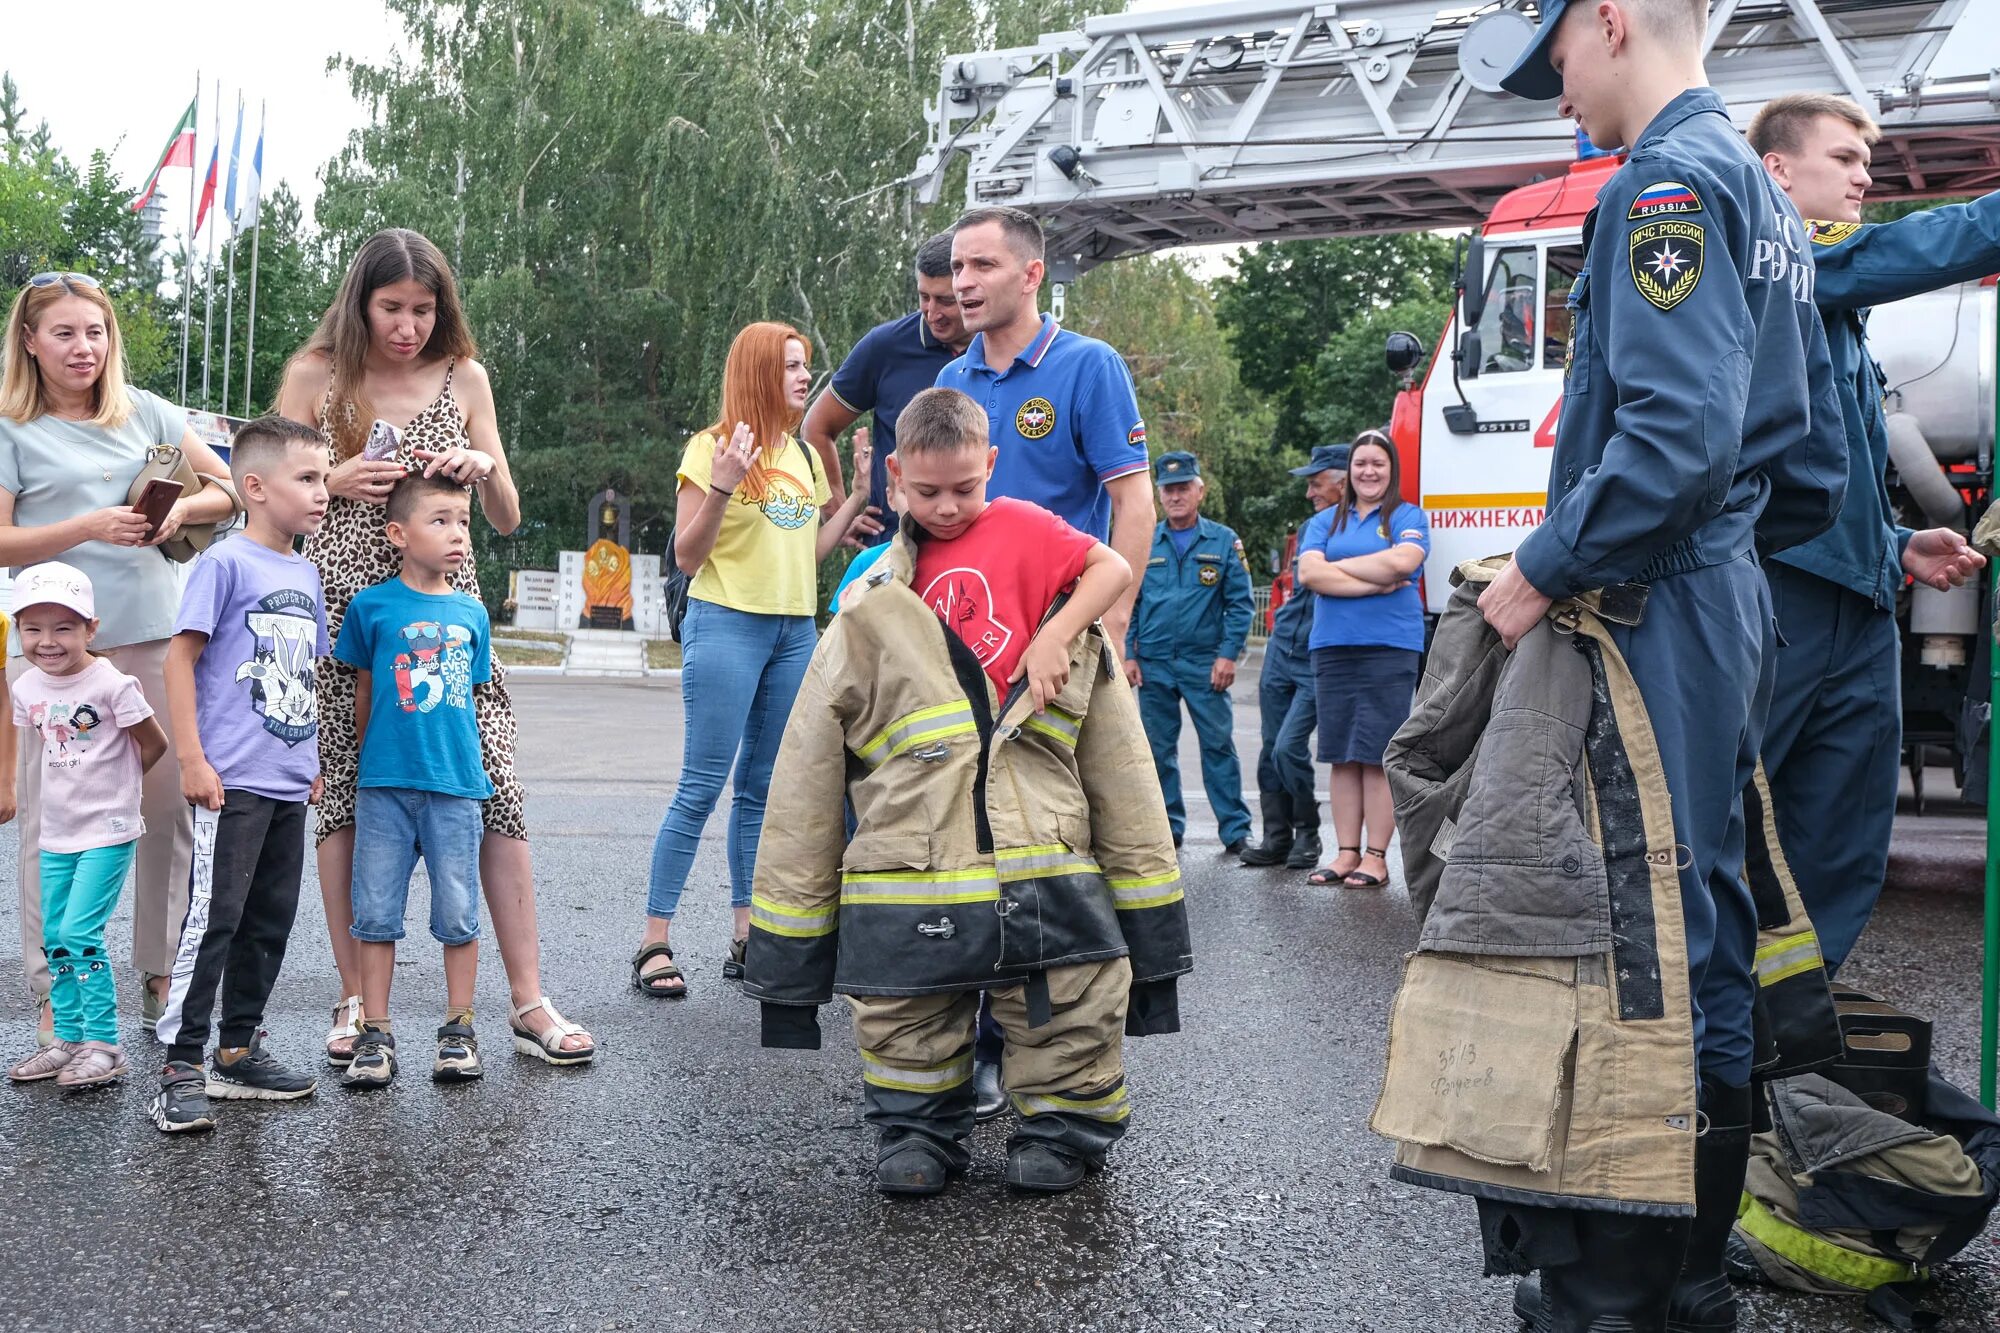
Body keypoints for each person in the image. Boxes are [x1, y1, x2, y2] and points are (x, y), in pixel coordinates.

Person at [1488, 2, 1846, 1325]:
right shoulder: (1755, 187)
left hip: (1658, 601)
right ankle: (1687, 1277)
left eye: (1561, 61)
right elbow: (1799, 464)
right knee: (1706, 924)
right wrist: (1733, 574)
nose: (1559, 92)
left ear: (1613, 21)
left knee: (1641, 936)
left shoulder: (1665, 187)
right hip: (1722, 592)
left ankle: (1615, 1293)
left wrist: (1541, 568)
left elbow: (1677, 441)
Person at [745, 386, 1191, 1197]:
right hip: (910, 855)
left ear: (992, 464)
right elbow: (807, 775)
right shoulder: (867, 595)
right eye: (926, 492)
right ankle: (918, 1127)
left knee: (1065, 998)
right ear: (892, 476)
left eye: (965, 488)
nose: (947, 508)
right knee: (907, 1004)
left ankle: (1062, 1126)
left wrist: (1056, 632)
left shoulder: (1030, 534)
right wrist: (789, 965)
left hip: (1040, 845)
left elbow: (1122, 768)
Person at [275, 229, 594, 1068]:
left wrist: (485, 463)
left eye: (424, 309)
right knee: (345, 796)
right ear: (359, 303)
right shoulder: (318, 375)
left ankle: (527, 999)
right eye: (392, 309)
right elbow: (269, 499)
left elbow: (508, 518)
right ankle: (355, 1003)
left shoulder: (466, 378)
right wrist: (331, 479)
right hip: (346, 617)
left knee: (493, 786)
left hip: (450, 627)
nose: (409, 327)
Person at [1748, 93, 1988, 974]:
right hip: (1782, 597)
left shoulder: (1835, 300)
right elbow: (1909, 247)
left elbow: (1833, 474)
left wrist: (1897, 546)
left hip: (1854, 596)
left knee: (1846, 839)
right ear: (1778, 171)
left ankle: (1790, 1035)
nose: (1865, 176)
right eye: (1844, 158)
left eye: (1865, 161)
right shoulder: (1780, 256)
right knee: (1747, 826)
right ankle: (1714, 1050)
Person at [0, 273, 237, 1044]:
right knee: (52, 819)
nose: (84, 347)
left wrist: (172, 508)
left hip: (151, 640)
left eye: (95, 331)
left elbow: (229, 492)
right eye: (64, 333)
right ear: (30, 341)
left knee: (163, 810)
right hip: (51, 656)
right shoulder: (10, 426)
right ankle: (54, 991)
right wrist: (88, 526)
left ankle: (160, 971)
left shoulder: (150, 412)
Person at [631, 322, 872, 999]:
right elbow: (686, 554)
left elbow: (808, 552)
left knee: (762, 791)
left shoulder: (799, 455)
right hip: (727, 622)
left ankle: (747, 934)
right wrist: (723, 486)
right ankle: (654, 940)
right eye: (792, 366)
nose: (804, 377)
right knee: (701, 786)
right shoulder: (712, 448)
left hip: (794, 631)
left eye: (807, 365)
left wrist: (852, 495)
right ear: (760, 373)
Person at [152, 417, 333, 1133]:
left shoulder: (306, 570)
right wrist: (193, 759)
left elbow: (303, 674)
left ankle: (237, 1047)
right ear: (254, 487)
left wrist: (311, 759)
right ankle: (178, 1061)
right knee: (214, 919)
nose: (323, 492)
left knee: (269, 920)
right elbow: (179, 659)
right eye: (308, 479)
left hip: (287, 779)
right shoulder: (224, 563)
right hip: (229, 781)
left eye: (324, 478)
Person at [332, 472, 496, 1089]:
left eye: (462, 522)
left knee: (458, 911)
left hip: (456, 787)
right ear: (398, 534)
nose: (457, 534)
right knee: (374, 911)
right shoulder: (371, 607)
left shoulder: (472, 612)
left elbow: (469, 698)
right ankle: (375, 1032)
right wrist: (371, 759)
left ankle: (458, 1029)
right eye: (441, 521)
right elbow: (364, 692)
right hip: (383, 787)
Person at [937, 206, 1154, 651]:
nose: (962, 282)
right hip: (966, 624)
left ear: (1031, 275)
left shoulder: (1090, 365)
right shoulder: (950, 380)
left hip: (1061, 624)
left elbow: (1136, 504)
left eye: (984, 265)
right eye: (958, 267)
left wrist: (1112, 622)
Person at [4, 563, 168, 1088]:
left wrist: (121, 787)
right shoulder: (27, 686)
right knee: (54, 934)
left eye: (64, 628)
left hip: (108, 828)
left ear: (91, 629)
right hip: (56, 830)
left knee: (80, 933)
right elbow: (42, 746)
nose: (47, 641)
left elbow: (155, 743)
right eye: (33, 628)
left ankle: (103, 1044)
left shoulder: (113, 684)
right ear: (17, 629)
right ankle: (67, 1039)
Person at [1294, 432, 1428, 890]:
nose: (1369, 472)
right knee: (1341, 755)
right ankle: (1345, 853)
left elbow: (1406, 560)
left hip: (1390, 647)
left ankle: (1376, 857)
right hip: (1333, 646)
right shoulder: (1326, 521)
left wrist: (1342, 570)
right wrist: (1378, 577)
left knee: (1376, 755)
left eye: (1378, 464)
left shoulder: (1408, 516)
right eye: (1360, 464)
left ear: (1391, 470)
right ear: (1350, 471)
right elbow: (1309, 573)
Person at [801, 231, 970, 541]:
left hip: (983, 544)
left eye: (946, 300)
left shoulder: (999, 348)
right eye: (924, 297)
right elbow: (817, 427)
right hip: (897, 547)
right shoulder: (885, 347)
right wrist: (840, 515)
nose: (932, 313)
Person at [1125, 452, 1253, 854]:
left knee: (1218, 746)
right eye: (1169, 489)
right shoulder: (1146, 539)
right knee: (1157, 750)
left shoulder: (1222, 540)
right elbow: (1129, 600)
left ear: (1200, 490)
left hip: (1205, 663)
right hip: (1154, 664)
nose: (1176, 496)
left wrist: (1228, 655)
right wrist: (1129, 654)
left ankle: (1235, 829)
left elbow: (1241, 603)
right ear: (1160, 495)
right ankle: (1167, 827)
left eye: (1184, 488)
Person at [1241, 444, 1345, 869]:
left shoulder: (1358, 530)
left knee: (1288, 748)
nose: (1309, 493)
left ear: (1343, 482)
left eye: (1316, 483)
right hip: (1281, 648)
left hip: (1315, 655)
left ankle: (1309, 832)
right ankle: (1277, 836)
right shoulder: (1310, 528)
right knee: (1270, 749)